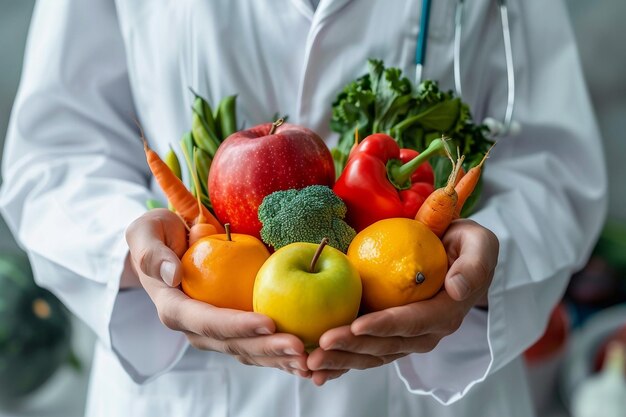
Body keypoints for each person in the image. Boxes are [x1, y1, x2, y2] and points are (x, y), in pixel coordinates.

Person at [0, 1, 607, 416]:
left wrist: (477, 269)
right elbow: (56, 150)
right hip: (194, 392)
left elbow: (556, 164)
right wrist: (139, 256)